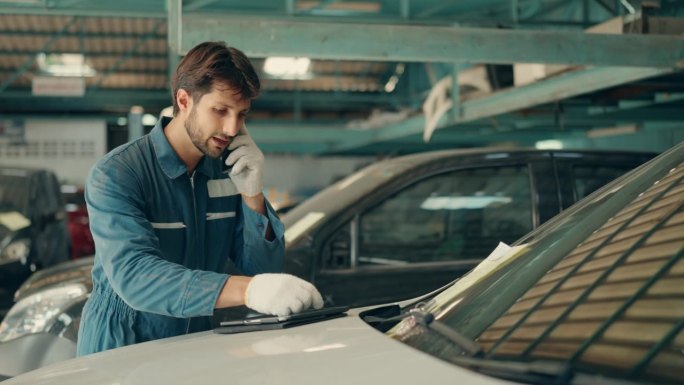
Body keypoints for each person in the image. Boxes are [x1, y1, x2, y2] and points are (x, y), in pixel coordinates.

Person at [76, 41, 323, 356]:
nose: (232, 128)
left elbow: (260, 269)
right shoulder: (118, 173)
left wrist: (252, 194)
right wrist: (249, 291)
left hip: (194, 341)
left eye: (241, 114)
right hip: (124, 343)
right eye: (220, 110)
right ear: (184, 100)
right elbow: (136, 276)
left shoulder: (228, 171)